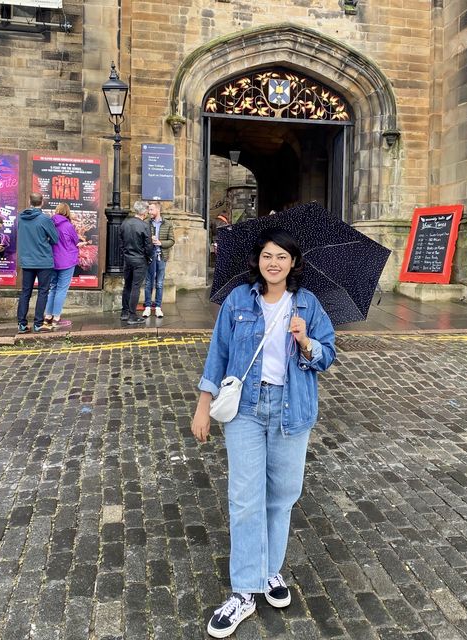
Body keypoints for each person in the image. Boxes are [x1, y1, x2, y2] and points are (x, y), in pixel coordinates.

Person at [191, 228, 335, 638]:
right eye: (268, 256)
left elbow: (328, 355)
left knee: (283, 495)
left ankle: (270, 570)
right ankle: (244, 591)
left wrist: (306, 341)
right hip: (247, 410)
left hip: (292, 410)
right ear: (258, 260)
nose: (274, 263)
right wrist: (203, 406)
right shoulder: (239, 300)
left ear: (293, 264)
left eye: (282, 257)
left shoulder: (307, 304)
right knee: (244, 497)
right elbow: (217, 354)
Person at [16, 193, 58, 334]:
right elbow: (55, 238)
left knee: (25, 292)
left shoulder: (21, 218)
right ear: (42, 202)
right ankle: (38, 324)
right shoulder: (44, 219)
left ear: (29, 201)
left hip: (27, 260)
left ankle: (22, 324)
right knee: (43, 292)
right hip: (43, 260)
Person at [43, 203, 85, 329]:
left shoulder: (50, 224)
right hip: (67, 261)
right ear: (67, 212)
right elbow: (76, 242)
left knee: (53, 288)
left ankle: (48, 316)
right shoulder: (68, 225)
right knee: (61, 289)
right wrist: (82, 244)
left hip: (53, 261)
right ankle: (56, 318)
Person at [120, 202, 152, 325]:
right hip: (139, 259)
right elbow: (148, 246)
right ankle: (132, 316)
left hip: (128, 259)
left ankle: (124, 312)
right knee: (136, 287)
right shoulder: (144, 226)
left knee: (127, 285)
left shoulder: (125, 223)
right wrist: (148, 257)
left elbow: (121, 242)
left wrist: (125, 254)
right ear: (144, 212)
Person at [142, 202, 175, 318]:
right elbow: (142, 239)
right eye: (149, 210)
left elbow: (172, 241)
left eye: (151, 210)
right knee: (148, 283)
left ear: (158, 210)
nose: (149, 212)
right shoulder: (146, 223)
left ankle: (157, 307)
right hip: (150, 256)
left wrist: (160, 243)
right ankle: (147, 307)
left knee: (160, 283)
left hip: (161, 257)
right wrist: (149, 240)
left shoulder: (168, 224)